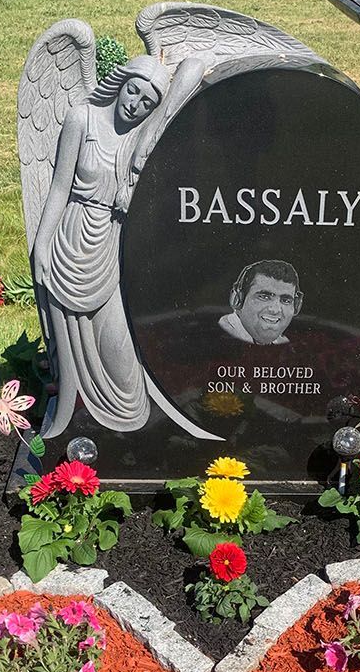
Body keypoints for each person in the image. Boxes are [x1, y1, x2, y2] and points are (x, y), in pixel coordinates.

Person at [33, 55, 201, 434]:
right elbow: (58, 188)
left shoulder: (141, 140)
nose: (135, 103)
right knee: (72, 349)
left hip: (110, 245)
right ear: (121, 83)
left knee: (121, 354)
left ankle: (128, 423)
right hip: (70, 243)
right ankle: (73, 424)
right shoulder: (82, 120)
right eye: (133, 90)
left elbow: (194, 68)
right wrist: (41, 246)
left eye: (147, 102)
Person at [218, 260, 303, 346]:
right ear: (237, 300)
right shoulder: (220, 338)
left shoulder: (283, 343)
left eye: (286, 301)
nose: (275, 310)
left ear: (297, 305)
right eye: (264, 297)